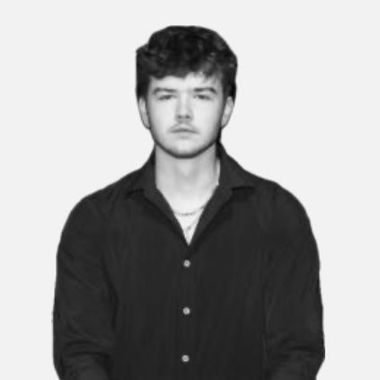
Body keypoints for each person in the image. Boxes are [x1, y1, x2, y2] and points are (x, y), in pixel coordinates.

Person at [52, 25, 325, 380]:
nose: (183, 112)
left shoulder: (279, 216)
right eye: (166, 95)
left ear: (227, 108)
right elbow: (80, 352)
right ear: (143, 109)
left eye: (201, 95)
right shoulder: (94, 222)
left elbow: (297, 351)